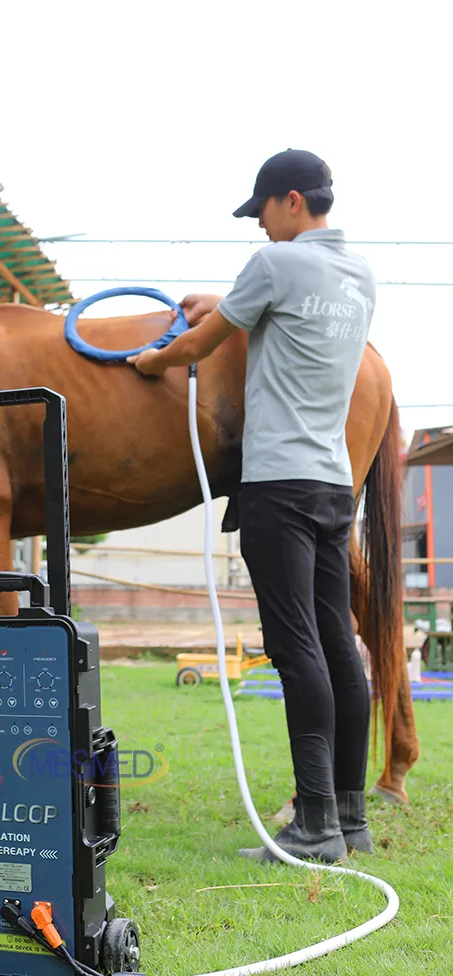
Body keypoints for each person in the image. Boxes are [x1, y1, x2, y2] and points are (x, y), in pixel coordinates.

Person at [129, 149, 375, 862]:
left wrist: (151, 362)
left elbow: (201, 343)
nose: (261, 227)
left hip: (279, 488)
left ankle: (313, 828)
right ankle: (350, 820)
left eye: (263, 212)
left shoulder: (274, 266)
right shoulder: (358, 275)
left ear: (291, 201)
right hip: (333, 486)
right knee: (338, 647)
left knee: (295, 650)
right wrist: (227, 299)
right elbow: (281, 312)